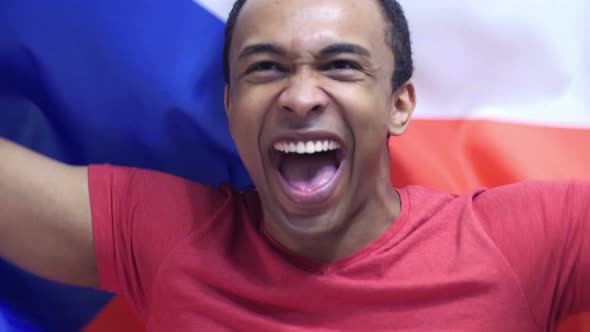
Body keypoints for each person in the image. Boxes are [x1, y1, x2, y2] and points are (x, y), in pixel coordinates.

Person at [0, 0, 588, 331]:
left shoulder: (519, 239)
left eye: (340, 66)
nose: (301, 96)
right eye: (266, 68)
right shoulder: (166, 232)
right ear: (231, 109)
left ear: (399, 105)